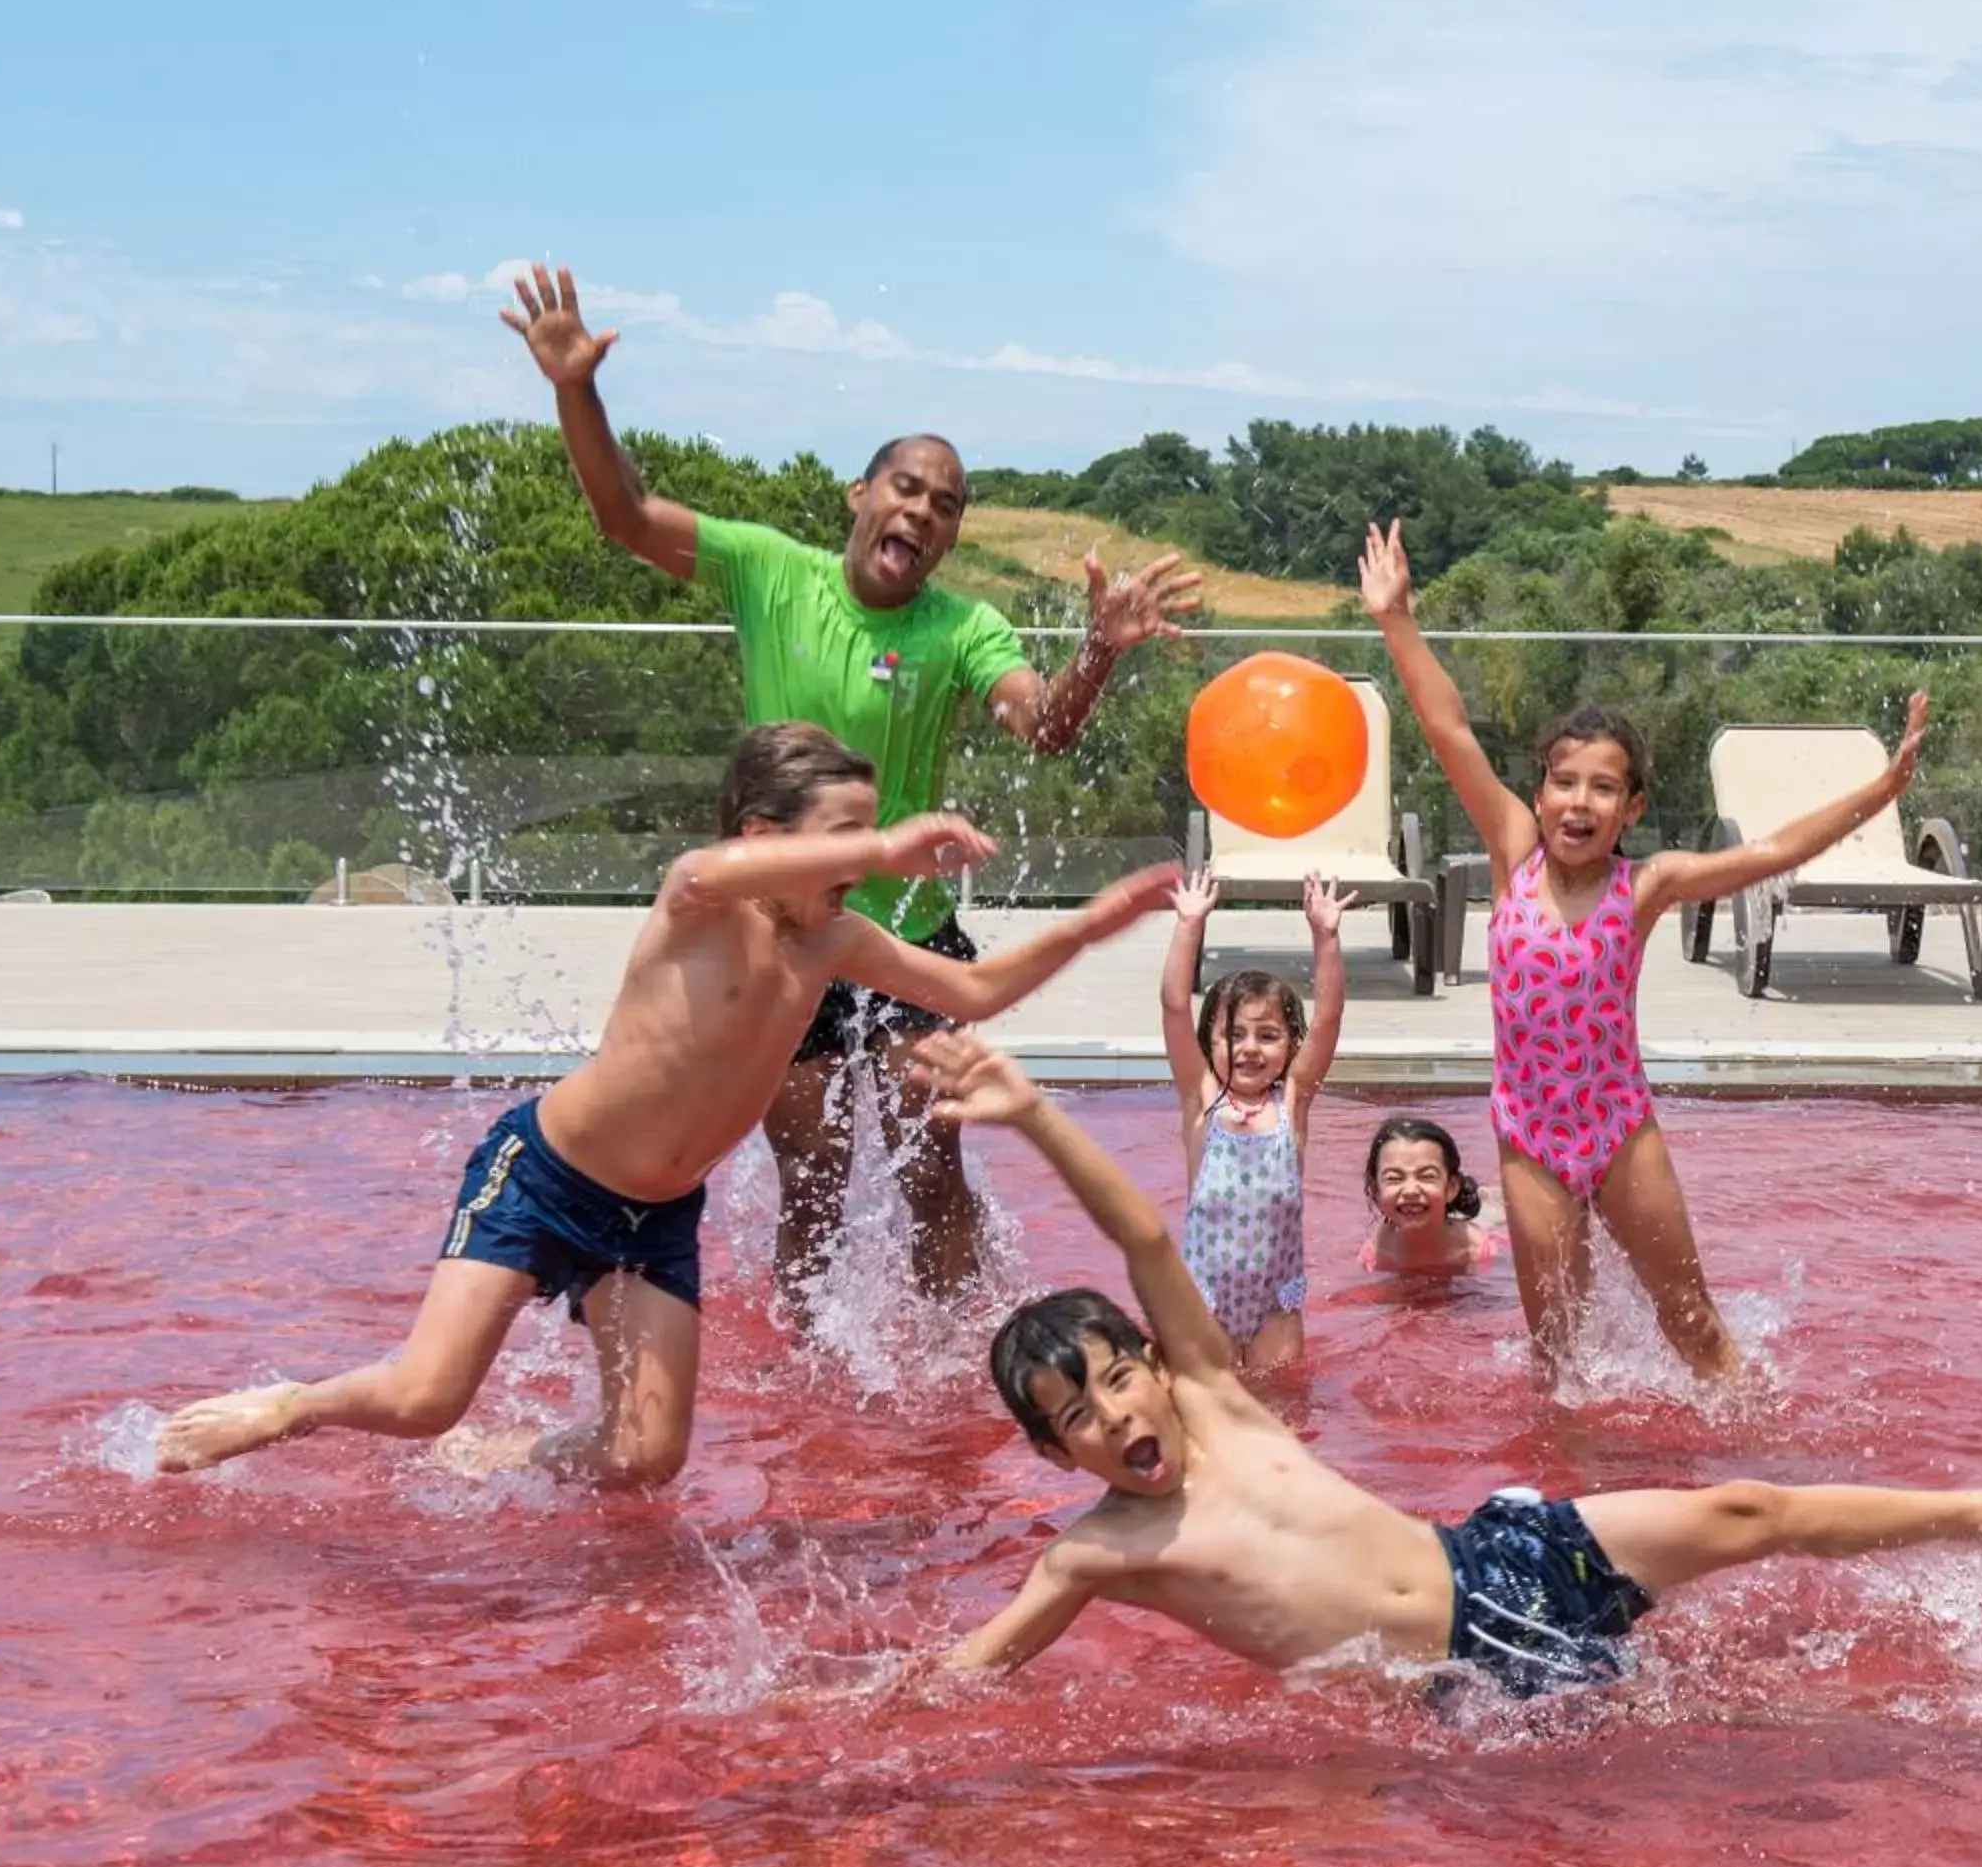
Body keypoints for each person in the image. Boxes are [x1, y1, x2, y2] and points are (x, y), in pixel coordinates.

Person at [916, 1031, 1982, 1694]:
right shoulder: (1096, 1552)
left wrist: (1032, 1113)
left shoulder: (1220, 1407)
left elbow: (1138, 1233)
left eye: (1116, 1376)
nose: (1111, 1412)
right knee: (1744, 1714)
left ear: (1158, 1365)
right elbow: (973, 1671)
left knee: (1750, 1508)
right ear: (1050, 1449)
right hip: (1475, 1679)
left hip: (1501, 1551)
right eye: (1074, 1416)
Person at [151, 724, 1177, 1487]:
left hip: (653, 1221)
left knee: (644, 1458)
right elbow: (710, 864)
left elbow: (977, 992)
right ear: (768, 836)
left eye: (870, 834)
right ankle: (291, 1406)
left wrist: (1092, 925)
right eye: (839, 838)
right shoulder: (698, 903)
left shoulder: (836, 943)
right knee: (424, 1398)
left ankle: (509, 1457)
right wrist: (882, 847)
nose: (862, 859)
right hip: (547, 1179)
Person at [504, 262, 1202, 1311]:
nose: (922, 511)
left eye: (946, 506)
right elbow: (626, 515)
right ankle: (811, 1390)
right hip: (789, 940)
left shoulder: (965, 627)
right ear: (861, 495)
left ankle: (966, 1361)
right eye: (907, 488)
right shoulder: (767, 568)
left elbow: (1040, 724)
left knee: (935, 1174)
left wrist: (1097, 653)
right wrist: (575, 389)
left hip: (911, 937)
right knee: (815, 1184)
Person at [1360, 519, 1929, 1386]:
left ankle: (1752, 1454)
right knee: (1559, 1358)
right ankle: (1582, 1502)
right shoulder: (1514, 851)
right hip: (1529, 1140)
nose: (1578, 802)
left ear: (1630, 808)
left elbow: (1769, 854)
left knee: (1692, 1321)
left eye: (1603, 787)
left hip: (1620, 1131)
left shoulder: (1646, 886)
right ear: (1541, 790)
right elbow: (1448, 732)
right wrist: (1398, 620)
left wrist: (1882, 790)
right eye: (1564, 781)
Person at [1158, 870, 1351, 1368]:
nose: (1249, 1048)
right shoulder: (1202, 1100)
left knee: (1283, 1415)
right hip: (1204, 1306)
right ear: (1211, 1043)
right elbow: (1175, 1006)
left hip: (1275, 1309)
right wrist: (1189, 925)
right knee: (1211, 1416)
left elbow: (1328, 1019)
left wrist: (1325, 937)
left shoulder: (1291, 1104)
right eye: (1234, 1035)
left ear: (1291, 1046)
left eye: (1267, 1035)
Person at [1358, 1116, 1507, 1278]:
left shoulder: (1480, 1252)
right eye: (1394, 1178)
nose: (1411, 1190)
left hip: (1490, 1220)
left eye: (1427, 1176)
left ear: (1451, 1188)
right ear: (1376, 1191)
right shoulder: (1376, 1255)